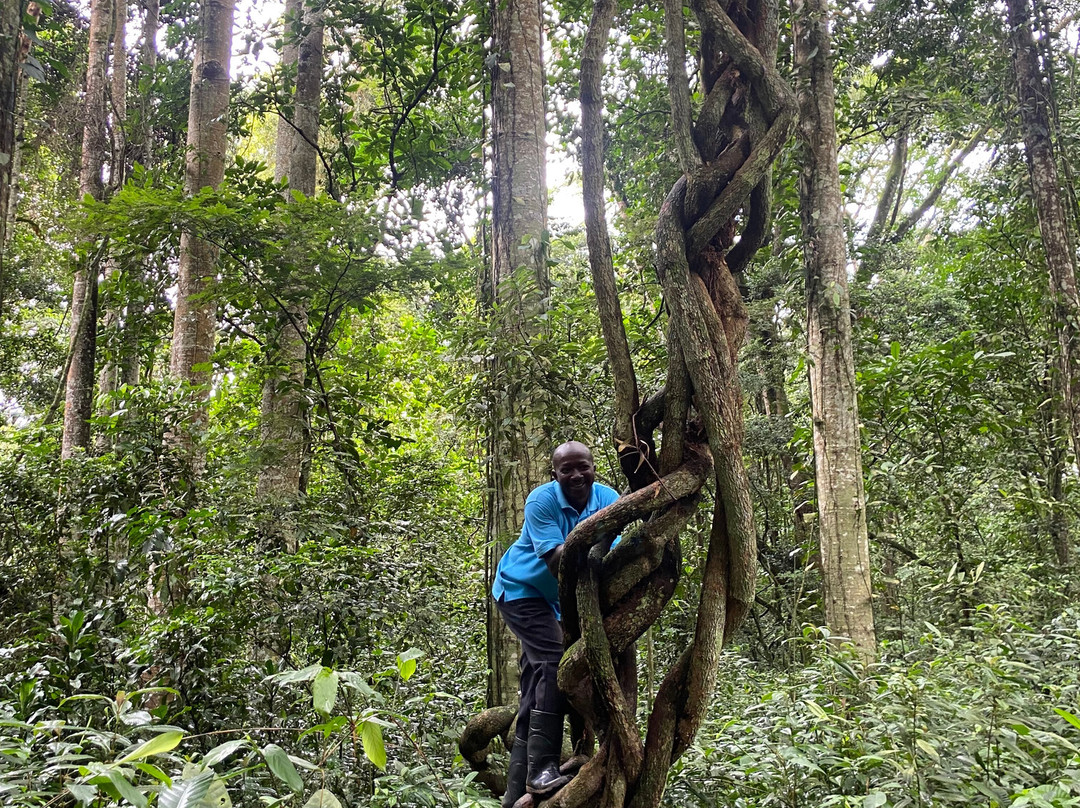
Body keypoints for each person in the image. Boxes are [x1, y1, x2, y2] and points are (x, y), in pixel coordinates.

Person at [492, 441, 620, 807]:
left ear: (594, 467)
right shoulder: (541, 501)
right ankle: (542, 768)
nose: (577, 475)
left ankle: (515, 795)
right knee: (552, 661)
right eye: (567, 470)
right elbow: (556, 563)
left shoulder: (608, 497)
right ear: (555, 474)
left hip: (554, 603)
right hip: (520, 590)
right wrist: (596, 540)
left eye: (584, 467)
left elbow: (619, 553)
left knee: (536, 690)